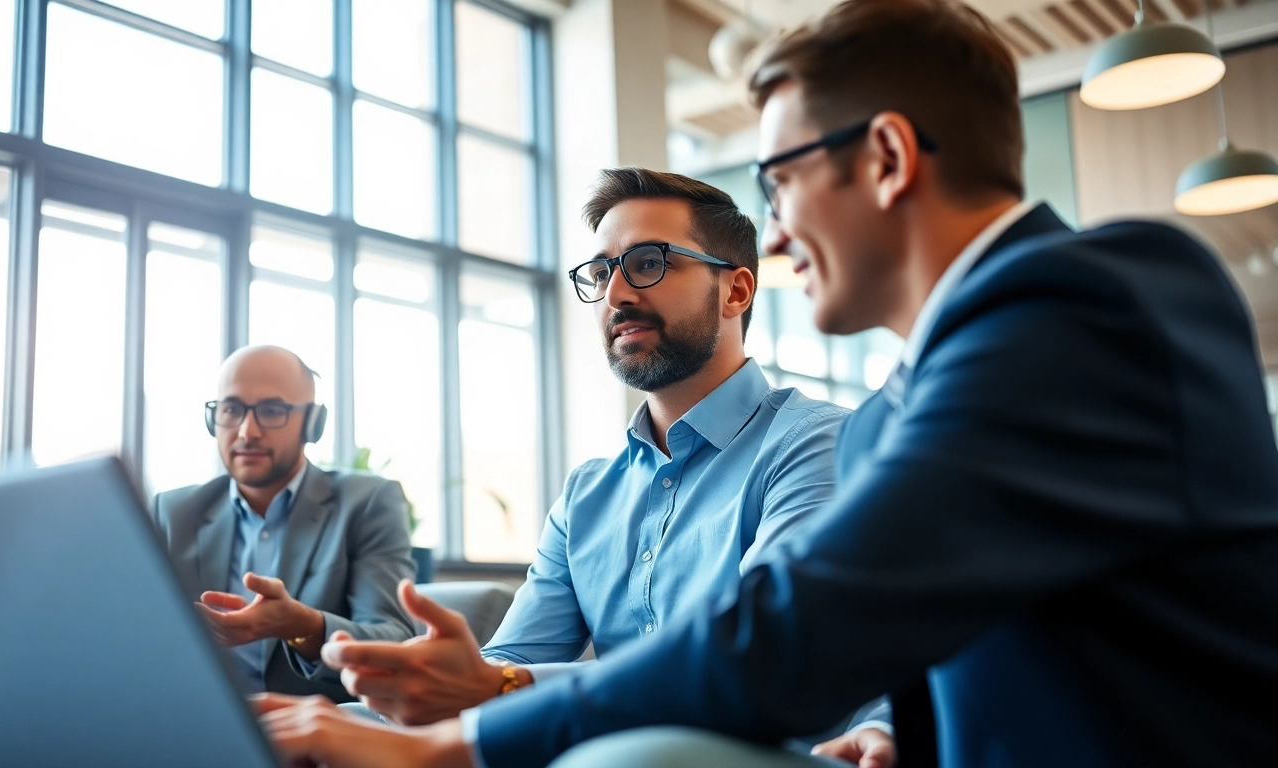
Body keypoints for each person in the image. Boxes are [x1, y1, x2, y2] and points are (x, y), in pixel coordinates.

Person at [251, 0, 1278, 766]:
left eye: (780, 182)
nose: (778, 234)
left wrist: (456, 748)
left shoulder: (1087, 300)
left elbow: (803, 631)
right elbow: (937, 642)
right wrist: (898, 732)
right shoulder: (893, 417)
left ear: (886, 157)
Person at [292, 168, 887, 753]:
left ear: (735, 291)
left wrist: (503, 687)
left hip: (758, 753)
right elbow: (513, 659)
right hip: (608, 747)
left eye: (648, 263)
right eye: (601, 274)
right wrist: (413, 686)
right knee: (309, 733)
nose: (616, 295)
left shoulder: (815, 445)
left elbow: (758, 657)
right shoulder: (587, 493)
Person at [151, 344, 416, 703]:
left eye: (271, 411)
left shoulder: (366, 504)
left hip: (316, 723)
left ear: (313, 423)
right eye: (231, 409)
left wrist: (304, 627)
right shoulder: (172, 512)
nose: (247, 431)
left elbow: (395, 641)